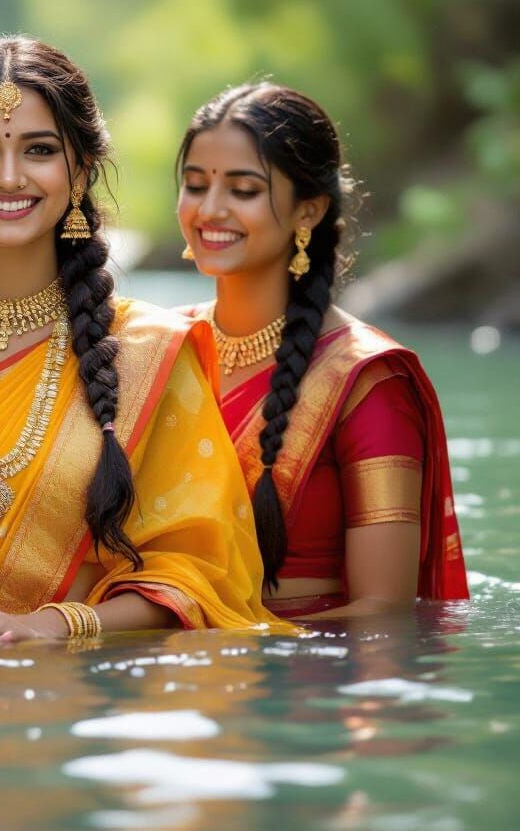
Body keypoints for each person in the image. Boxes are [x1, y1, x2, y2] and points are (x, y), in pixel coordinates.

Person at [0, 36, 290, 647]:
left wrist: (51, 627)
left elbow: (198, 576)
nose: (8, 176)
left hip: (84, 705)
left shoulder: (145, 347)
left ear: (82, 168)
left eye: (39, 150)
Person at [175, 82, 468, 619]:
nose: (210, 209)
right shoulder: (155, 346)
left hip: (294, 681)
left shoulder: (367, 381)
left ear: (308, 211)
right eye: (195, 185)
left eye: (243, 191)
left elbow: (383, 613)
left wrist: (231, 646)